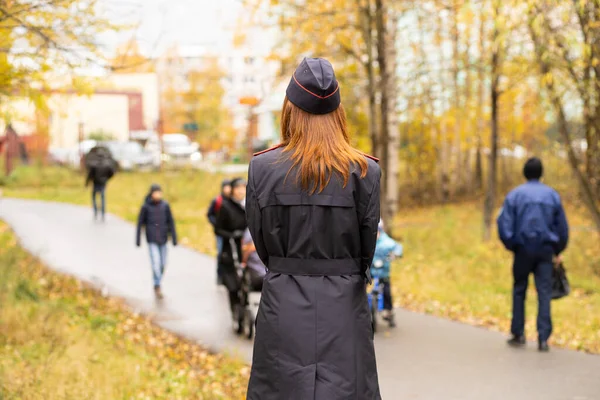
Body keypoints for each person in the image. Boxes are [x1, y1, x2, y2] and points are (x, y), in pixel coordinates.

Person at [246, 58, 382, 399]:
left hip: (284, 308)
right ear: (338, 113)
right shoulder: (364, 172)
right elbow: (367, 247)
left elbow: (263, 246)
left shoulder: (262, 169)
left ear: (290, 110)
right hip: (344, 309)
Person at [497, 157, 569, 352]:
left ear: (524, 173)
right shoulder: (552, 196)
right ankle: (543, 338)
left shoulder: (515, 196)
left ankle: (518, 333)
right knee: (544, 292)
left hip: (522, 249)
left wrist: (512, 245)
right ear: (541, 173)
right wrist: (558, 249)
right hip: (545, 249)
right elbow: (561, 226)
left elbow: (504, 224)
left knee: (519, 289)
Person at [135, 184, 178, 299]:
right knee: (155, 263)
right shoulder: (146, 207)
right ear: (151, 193)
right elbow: (140, 223)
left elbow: (171, 222)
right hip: (152, 239)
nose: (158, 195)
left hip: (163, 239)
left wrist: (174, 237)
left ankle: (157, 280)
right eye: (156, 192)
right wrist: (138, 239)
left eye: (159, 192)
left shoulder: (165, 206)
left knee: (163, 264)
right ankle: (157, 284)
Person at [214, 177, 247, 317]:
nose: (241, 191)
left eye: (243, 188)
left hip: (247, 250)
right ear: (232, 190)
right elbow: (218, 229)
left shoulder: (250, 205)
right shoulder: (226, 207)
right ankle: (235, 310)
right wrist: (232, 235)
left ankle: (245, 308)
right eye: (238, 188)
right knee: (233, 284)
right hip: (231, 249)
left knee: (247, 281)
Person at [371, 220, 403, 328]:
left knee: (386, 290)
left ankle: (388, 310)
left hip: (383, 272)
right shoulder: (368, 241)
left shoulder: (386, 242)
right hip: (370, 272)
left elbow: (397, 247)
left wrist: (395, 254)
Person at [207, 179, 232, 284]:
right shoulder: (217, 200)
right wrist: (216, 224)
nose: (227, 189)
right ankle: (220, 275)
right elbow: (209, 214)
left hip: (231, 232)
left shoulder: (233, 200)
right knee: (221, 253)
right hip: (220, 233)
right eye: (225, 187)